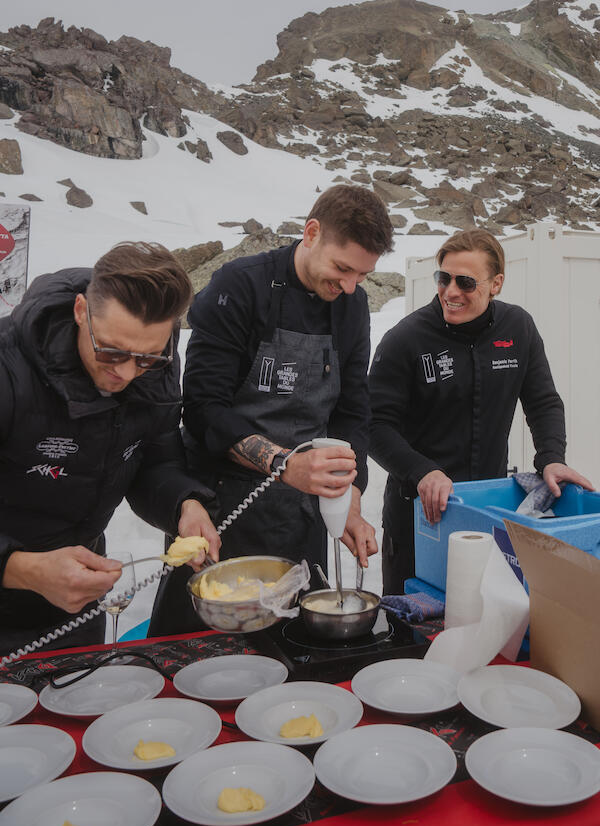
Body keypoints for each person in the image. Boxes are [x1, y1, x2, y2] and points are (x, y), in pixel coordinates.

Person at [148, 185, 394, 635]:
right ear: (312, 233)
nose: (349, 286)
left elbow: (352, 410)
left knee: (293, 643)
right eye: (342, 269)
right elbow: (203, 409)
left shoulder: (353, 305)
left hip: (301, 515)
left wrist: (350, 496)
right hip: (220, 507)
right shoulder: (240, 286)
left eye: (362, 275)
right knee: (203, 648)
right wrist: (283, 463)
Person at [0, 242, 219, 657]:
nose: (126, 372)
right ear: (81, 311)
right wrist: (21, 568)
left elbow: (154, 459)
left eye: (147, 358)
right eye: (111, 351)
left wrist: (183, 505)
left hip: (78, 597)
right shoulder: (8, 369)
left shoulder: (155, 366)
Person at [368, 228, 594, 594]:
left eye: (466, 282)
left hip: (486, 515)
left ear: (496, 284)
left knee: (487, 619)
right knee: (413, 622)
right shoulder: (405, 339)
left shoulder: (518, 328)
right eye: (443, 278)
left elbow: (543, 401)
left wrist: (551, 457)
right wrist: (421, 471)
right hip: (419, 518)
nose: (451, 292)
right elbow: (374, 425)